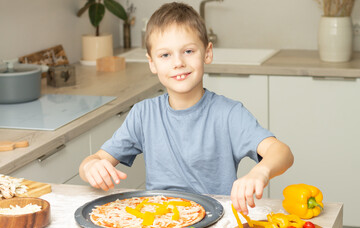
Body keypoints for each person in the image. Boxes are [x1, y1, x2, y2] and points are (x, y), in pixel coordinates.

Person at [79, 2, 294, 215]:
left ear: (207, 53)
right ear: (152, 63)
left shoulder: (228, 114)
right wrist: (91, 167)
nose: (178, 62)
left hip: (217, 222)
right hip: (159, 222)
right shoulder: (143, 114)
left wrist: (261, 171)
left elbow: (282, 152)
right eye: (165, 55)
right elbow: (93, 160)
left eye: (188, 51)